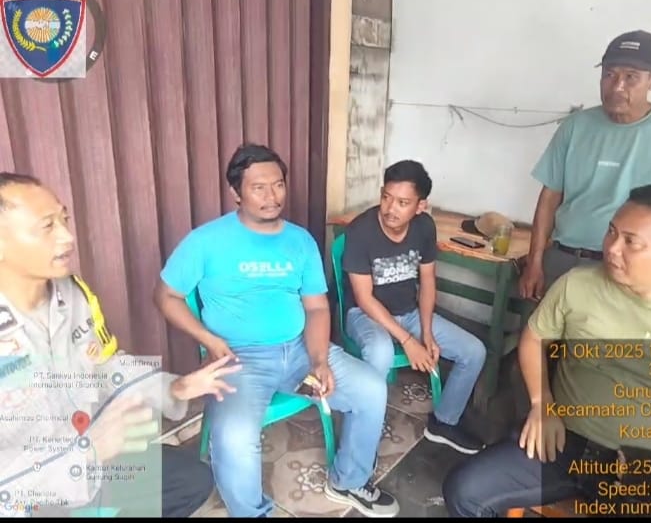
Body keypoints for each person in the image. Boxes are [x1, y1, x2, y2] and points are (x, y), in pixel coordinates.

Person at [153, 143, 400, 518]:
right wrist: (208, 340)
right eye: (259, 188)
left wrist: (319, 359)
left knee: (371, 388)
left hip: (301, 349)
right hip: (238, 358)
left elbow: (316, 306)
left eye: (278, 185)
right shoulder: (205, 241)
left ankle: (349, 481)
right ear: (236, 192)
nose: (272, 196)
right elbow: (166, 295)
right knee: (234, 437)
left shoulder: (300, 241)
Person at [443, 184, 651, 517]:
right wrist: (542, 404)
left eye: (631, 242)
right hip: (563, 444)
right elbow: (534, 338)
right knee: (465, 491)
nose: (611, 248)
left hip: (646, 464)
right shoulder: (577, 285)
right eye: (612, 231)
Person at [0, 173, 236, 518]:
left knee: (190, 480)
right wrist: (89, 451)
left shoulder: (72, 292)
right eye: (47, 226)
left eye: (64, 219)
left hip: (90, 462)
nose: (67, 236)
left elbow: (106, 365)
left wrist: (174, 388)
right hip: (27, 496)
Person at [519, 30, 651, 302]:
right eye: (609, 74)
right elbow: (549, 197)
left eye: (631, 77)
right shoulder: (576, 126)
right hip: (563, 261)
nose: (617, 86)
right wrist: (535, 262)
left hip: (631, 273)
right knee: (542, 329)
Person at [342, 160, 488, 454]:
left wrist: (427, 333)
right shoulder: (361, 230)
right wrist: (409, 341)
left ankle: (444, 423)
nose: (390, 209)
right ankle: (361, 444)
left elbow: (428, 280)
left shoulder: (424, 227)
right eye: (386, 197)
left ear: (421, 206)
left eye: (402, 202)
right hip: (365, 315)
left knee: (474, 351)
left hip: (408, 314)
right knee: (381, 352)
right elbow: (364, 298)